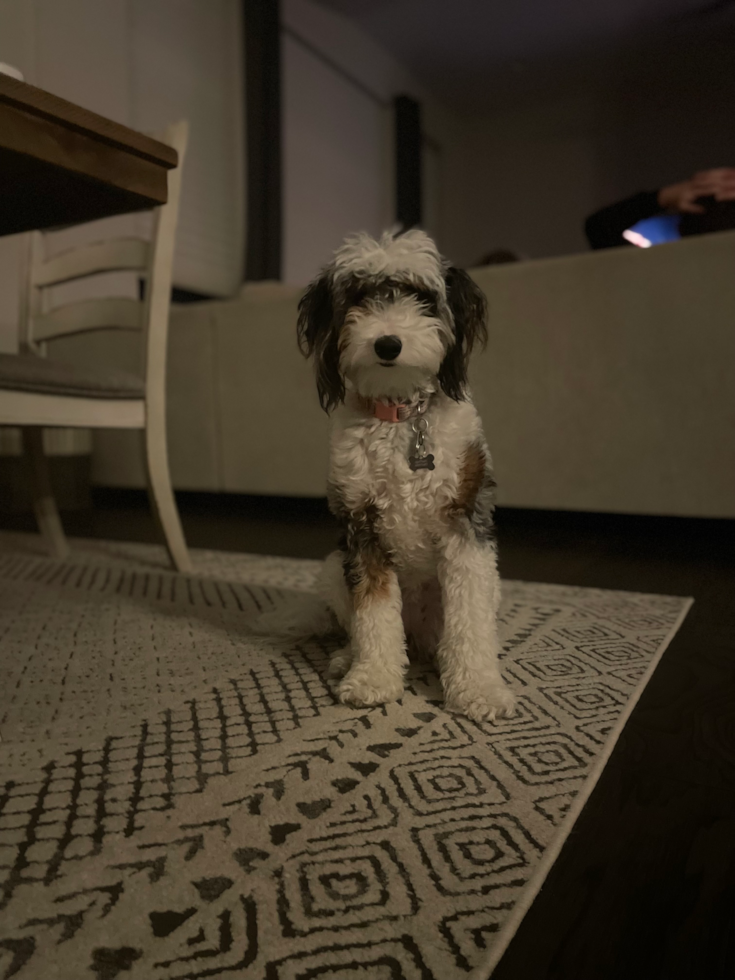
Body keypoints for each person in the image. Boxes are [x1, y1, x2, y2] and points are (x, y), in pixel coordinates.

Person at [585, 167, 735, 249]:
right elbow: (600, 227)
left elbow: (600, 227)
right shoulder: (662, 276)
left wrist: (663, 198)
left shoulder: (658, 277)